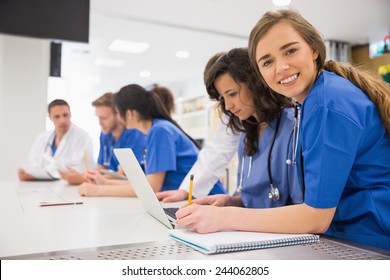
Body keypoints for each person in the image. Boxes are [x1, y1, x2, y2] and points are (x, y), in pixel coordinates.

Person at [238, 9, 389, 250]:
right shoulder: (314, 100)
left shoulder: (328, 101)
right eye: (267, 62)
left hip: (370, 241)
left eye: (290, 50)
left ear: (314, 49)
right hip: (348, 234)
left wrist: (224, 218)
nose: (281, 67)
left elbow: (316, 217)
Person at [175, 48, 303, 231]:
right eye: (223, 98)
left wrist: (227, 216)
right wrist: (229, 202)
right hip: (253, 233)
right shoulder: (246, 132)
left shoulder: (293, 126)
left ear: (255, 83)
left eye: (232, 94)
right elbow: (252, 197)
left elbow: (302, 210)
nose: (228, 106)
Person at [78, 84, 226, 197]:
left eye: (117, 112)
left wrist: (99, 190)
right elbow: (147, 182)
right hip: (186, 198)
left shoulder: (160, 130)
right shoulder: (155, 129)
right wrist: (105, 182)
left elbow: (151, 187)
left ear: (129, 113)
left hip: (206, 200)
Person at [60, 93, 146, 185]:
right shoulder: (105, 135)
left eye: (104, 118)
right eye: (98, 117)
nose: (100, 123)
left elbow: (123, 175)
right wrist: (88, 176)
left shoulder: (135, 135)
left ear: (118, 114)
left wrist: (83, 179)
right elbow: (101, 168)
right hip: (110, 188)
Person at [18, 99, 95, 181]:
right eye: (57, 116)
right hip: (42, 184)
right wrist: (28, 174)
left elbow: (81, 169)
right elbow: (33, 163)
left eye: (65, 115)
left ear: (70, 114)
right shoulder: (42, 138)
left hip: (68, 187)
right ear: (50, 117)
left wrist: (48, 174)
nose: (62, 120)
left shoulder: (82, 137)